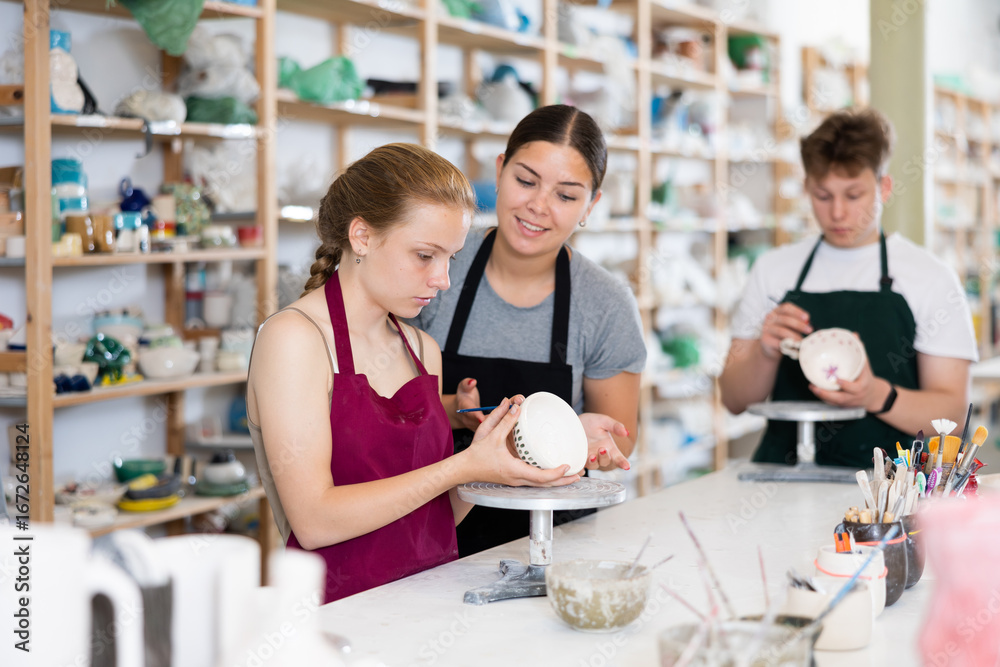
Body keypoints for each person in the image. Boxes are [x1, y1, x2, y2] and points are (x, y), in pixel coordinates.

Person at [246, 143, 579, 603]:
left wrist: (490, 460)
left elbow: (433, 520)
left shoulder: (422, 350)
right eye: (425, 255)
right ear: (362, 236)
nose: (442, 279)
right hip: (338, 617)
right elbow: (315, 521)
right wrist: (460, 467)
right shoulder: (294, 340)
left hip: (430, 605)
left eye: (450, 259)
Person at [408, 105, 647, 556]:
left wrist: (579, 437)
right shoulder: (437, 269)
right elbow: (380, 410)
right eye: (526, 180)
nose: (538, 206)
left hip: (554, 541)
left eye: (566, 195)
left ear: (591, 205)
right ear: (500, 172)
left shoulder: (605, 303)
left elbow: (619, 435)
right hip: (430, 526)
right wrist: (454, 411)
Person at [719, 108, 977, 469]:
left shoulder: (930, 277)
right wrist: (764, 352)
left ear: (884, 188)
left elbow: (952, 418)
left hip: (888, 488)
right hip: (784, 479)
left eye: (854, 195)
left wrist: (876, 396)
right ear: (807, 188)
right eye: (823, 196)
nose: (837, 213)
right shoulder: (773, 271)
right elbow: (733, 400)